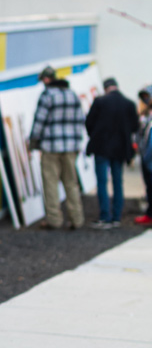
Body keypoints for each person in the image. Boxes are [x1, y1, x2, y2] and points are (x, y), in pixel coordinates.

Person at [29, 66, 85, 230]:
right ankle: (77, 218)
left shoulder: (47, 96)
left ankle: (54, 219)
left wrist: (33, 142)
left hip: (51, 146)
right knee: (71, 183)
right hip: (71, 147)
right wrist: (76, 143)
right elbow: (80, 120)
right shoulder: (72, 94)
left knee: (50, 182)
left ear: (46, 80)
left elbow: (39, 121)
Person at [85, 78, 139, 229]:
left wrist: (95, 135)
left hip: (101, 147)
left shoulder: (100, 102)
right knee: (117, 182)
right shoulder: (129, 103)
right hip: (121, 149)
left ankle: (105, 216)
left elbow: (89, 123)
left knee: (102, 182)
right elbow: (134, 126)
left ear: (105, 88)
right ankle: (117, 217)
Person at [135, 86, 152, 226]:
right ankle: (149, 213)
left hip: (149, 159)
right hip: (146, 159)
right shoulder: (145, 117)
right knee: (149, 188)